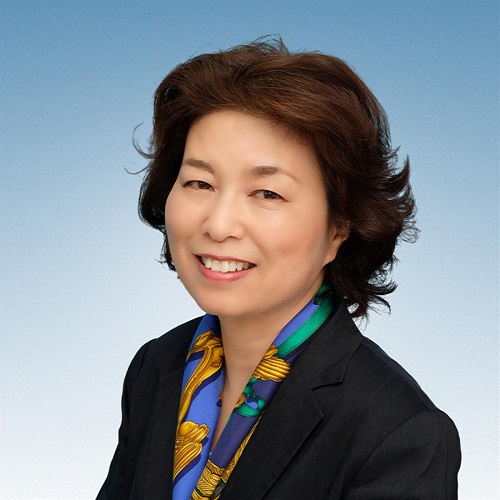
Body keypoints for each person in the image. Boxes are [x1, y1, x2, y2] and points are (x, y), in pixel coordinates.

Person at [97, 39, 461, 499]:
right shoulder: (156, 366)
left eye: (267, 193)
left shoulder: (399, 434)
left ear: (339, 228)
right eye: (200, 183)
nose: (219, 225)